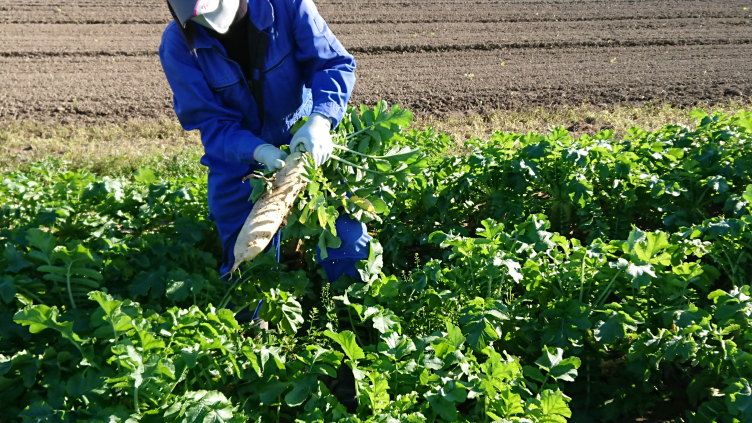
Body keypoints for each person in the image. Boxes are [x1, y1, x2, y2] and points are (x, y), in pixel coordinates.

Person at [158, 0, 371, 320]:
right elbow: (213, 124)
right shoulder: (178, 45)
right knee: (245, 268)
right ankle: (253, 339)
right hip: (238, 162)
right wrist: (260, 152)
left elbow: (333, 64)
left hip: (305, 144)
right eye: (197, 21)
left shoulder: (287, 6)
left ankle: (352, 317)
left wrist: (321, 120)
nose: (209, 26)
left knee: (347, 240)